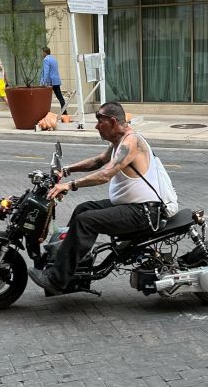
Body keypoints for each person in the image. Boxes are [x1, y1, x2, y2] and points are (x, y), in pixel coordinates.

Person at [28, 101, 163, 296]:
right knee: (83, 209)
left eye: (100, 122)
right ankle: (75, 266)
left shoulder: (130, 142)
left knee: (86, 222)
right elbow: (98, 161)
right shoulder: (119, 141)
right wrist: (66, 171)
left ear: (113, 122)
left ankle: (57, 280)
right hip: (130, 205)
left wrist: (70, 185)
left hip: (143, 212)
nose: (97, 126)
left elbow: (105, 174)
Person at [40, 47, 68, 115]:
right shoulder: (54, 59)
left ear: (44, 52)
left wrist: (44, 82)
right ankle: (64, 112)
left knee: (45, 98)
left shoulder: (46, 59)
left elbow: (46, 72)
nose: (41, 54)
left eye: (42, 52)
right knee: (60, 97)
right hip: (56, 80)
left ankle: (44, 113)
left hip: (50, 81)